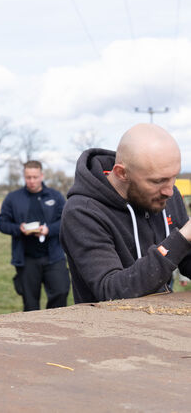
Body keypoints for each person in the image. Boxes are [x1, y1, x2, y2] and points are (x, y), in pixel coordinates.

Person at [60, 123, 191, 304]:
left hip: (163, 316)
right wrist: (182, 238)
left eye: (174, 177)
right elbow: (111, 291)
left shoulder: (167, 195)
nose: (169, 191)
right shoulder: (82, 211)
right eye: (158, 181)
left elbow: (186, 260)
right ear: (121, 173)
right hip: (107, 321)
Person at [0, 161, 70, 311]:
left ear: (42, 176)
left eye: (35, 177)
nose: (31, 181)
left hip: (53, 257)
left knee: (61, 292)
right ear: (24, 177)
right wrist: (19, 229)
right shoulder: (13, 198)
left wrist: (48, 230)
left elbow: (66, 221)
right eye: (28, 177)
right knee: (30, 304)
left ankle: (55, 323)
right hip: (26, 259)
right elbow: (2, 224)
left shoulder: (55, 196)